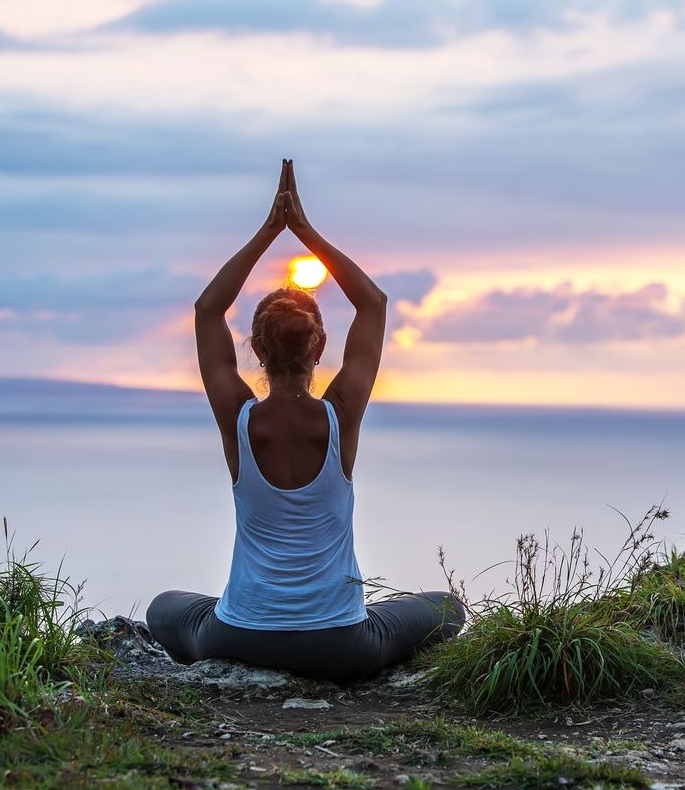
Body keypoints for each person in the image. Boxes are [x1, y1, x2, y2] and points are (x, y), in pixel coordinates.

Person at [147, 159, 465, 682]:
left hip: (240, 636)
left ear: (256, 350)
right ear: (320, 347)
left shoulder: (239, 420)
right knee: (448, 607)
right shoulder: (341, 414)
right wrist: (305, 230)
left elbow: (207, 310)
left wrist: (270, 229)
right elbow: (373, 305)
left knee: (165, 606)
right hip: (341, 646)